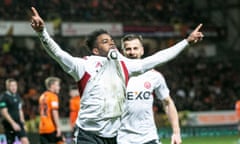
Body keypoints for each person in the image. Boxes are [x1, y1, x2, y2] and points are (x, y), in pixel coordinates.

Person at [30, 6, 203, 144]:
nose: (111, 42)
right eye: (105, 41)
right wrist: (42, 33)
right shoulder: (83, 66)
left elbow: (158, 58)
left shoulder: (125, 65)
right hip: (88, 135)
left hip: (113, 137)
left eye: (112, 40)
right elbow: (58, 53)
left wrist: (186, 42)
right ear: (96, 50)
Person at [118, 34, 181, 144]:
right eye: (128, 49)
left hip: (149, 138)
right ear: (123, 52)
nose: (132, 52)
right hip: (122, 139)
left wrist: (176, 132)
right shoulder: (114, 76)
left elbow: (167, 102)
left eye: (135, 48)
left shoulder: (154, 76)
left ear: (142, 50)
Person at [0, 78, 29, 144]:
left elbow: (20, 110)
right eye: (11, 86)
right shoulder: (3, 97)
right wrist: (13, 123)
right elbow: (4, 112)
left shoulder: (17, 96)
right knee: (10, 142)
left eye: (15, 85)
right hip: (9, 123)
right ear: (7, 87)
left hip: (18, 122)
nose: (14, 87)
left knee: (25, 141)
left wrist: (23, 123)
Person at [38, 77, 65, 144]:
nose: (59, 87)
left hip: (42, 128)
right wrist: (58, 127)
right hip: (51, 127)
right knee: (62, 141)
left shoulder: (42, 96)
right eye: (58, 85)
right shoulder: (53, 96)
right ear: (52, 86)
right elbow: (54, 112)